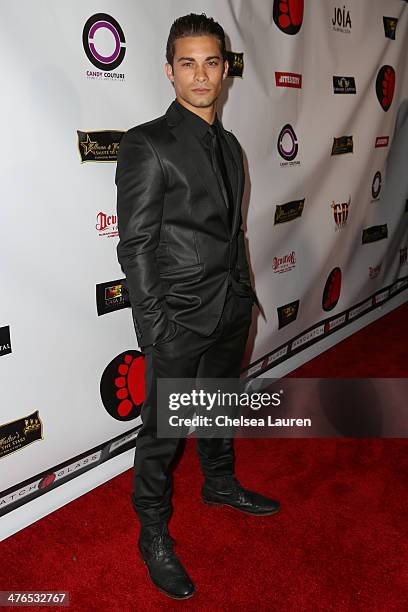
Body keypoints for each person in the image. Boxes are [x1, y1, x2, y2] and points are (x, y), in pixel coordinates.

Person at [116, 13, 280, 600]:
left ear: (226, 69)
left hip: (232, 306)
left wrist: (243, 294)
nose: (201, 74)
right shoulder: (147, 143)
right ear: (169, 71)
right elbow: (135, 243)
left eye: (211, 61)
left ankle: (219, 483)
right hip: (178, 317)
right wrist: (155, 326)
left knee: (217, 408)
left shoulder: (231, 146)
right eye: (187, 63)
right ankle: (153, 532)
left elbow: (229, 231)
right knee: (162, 432)